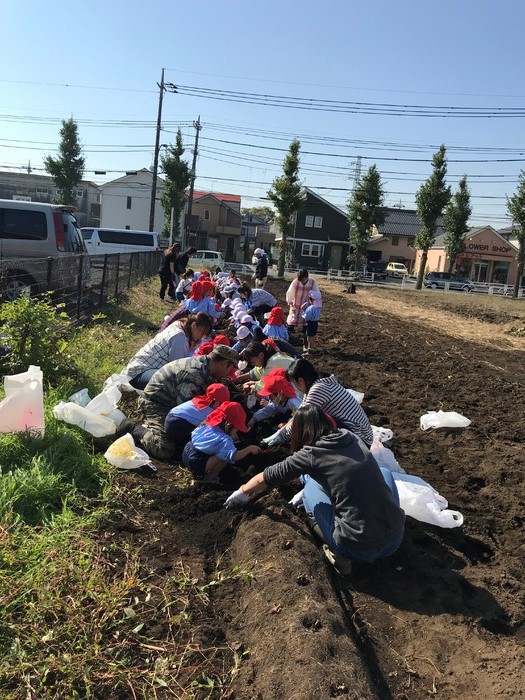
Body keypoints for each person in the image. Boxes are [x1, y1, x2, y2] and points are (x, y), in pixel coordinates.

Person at [224, 406, 405, 572]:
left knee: (310, 488)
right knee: (384, 473)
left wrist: (242, 492)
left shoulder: (311, 454)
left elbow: (268, 476)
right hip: (396, 538)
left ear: (301, 432)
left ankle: (337, 552)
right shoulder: (350, 436)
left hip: (357, 547)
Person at [136, 345, 239, 460]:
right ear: (224, 363)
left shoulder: (206, 367)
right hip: (156, 404)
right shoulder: (194, 373)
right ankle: (133, 428)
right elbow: (183, 413)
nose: (228, 373)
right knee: (165, 448)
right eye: (230, 369)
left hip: (170, 404)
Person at [263, 358, 373, 447]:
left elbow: (301, 419)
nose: (294, 387)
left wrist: (280, 437)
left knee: (312, 421)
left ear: (300, 380)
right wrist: (281, 433)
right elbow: (300, 412)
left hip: (361, 439)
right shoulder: (316, 384)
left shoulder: (318, 389)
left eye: (293, 383)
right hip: (357, 432)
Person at [124, 312, 213, 390]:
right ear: (193, 325)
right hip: (139, 373)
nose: (201, 337)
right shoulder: (180, 339)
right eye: (202, 332)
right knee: (171, 384)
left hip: (139, 366)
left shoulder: (179, 324)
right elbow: (177, 370)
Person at [182, 401, 260, 481]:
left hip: (186, 451)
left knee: (218, 451)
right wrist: (250, 449)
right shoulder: (225, 440)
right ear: (229, 425)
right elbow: (234, 456)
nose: (237, 431)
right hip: (196, 463)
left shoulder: (208, 424)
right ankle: (211, 476)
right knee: (224, 458)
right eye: (237, 429)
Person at [164, 383, 231, 445]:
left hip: (171, 415)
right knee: (204, 436)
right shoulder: (208, 412)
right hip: (177, 425)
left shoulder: (199, 399)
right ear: (217, 403)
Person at [301, 290, 322, 355]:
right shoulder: (318, 307)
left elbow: (306, 316)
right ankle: (311, 348)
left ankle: (309, 350)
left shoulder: (310, 308)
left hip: (310, 323)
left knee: (309, 337)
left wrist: (303, 310)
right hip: (315, 323)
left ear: (312, 300)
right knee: (312, 336)